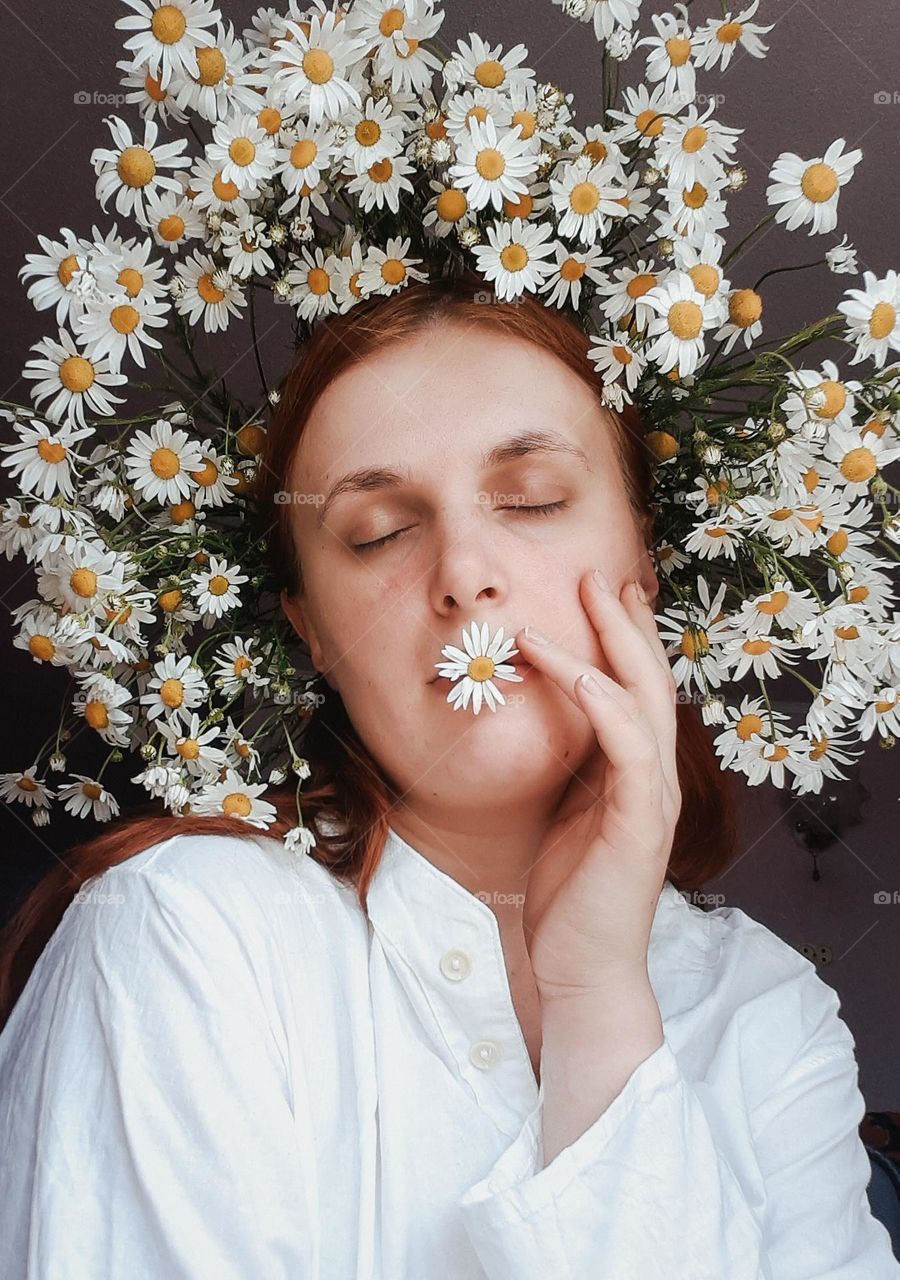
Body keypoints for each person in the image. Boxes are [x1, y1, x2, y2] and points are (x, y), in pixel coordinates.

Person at [1, 275, 897, 1278]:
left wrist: (599, 999)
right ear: (311, 634)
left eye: (533, 498)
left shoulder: (769, 1011)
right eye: (379, 529)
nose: (464, 568)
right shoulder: (186, 935)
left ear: (643, 560)